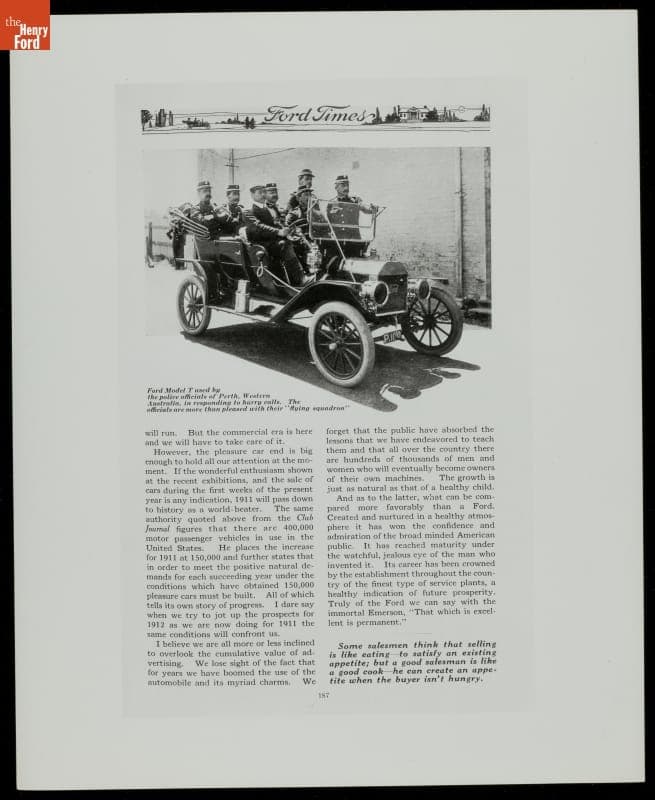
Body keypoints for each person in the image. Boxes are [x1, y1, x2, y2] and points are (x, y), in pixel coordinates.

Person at [243, 184, 305, 287]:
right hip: (259, 243)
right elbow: (259, 227)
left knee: (297, 243)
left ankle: (300, 275)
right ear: (252, 195)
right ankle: (297, 280)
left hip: (270, 241)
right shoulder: (248, 211)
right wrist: (278, 232)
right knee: (284, 245)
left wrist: (287, 229)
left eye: (264, 192)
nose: (263, 195)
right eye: (260, 193)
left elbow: (276, 223)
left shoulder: (268, 209)